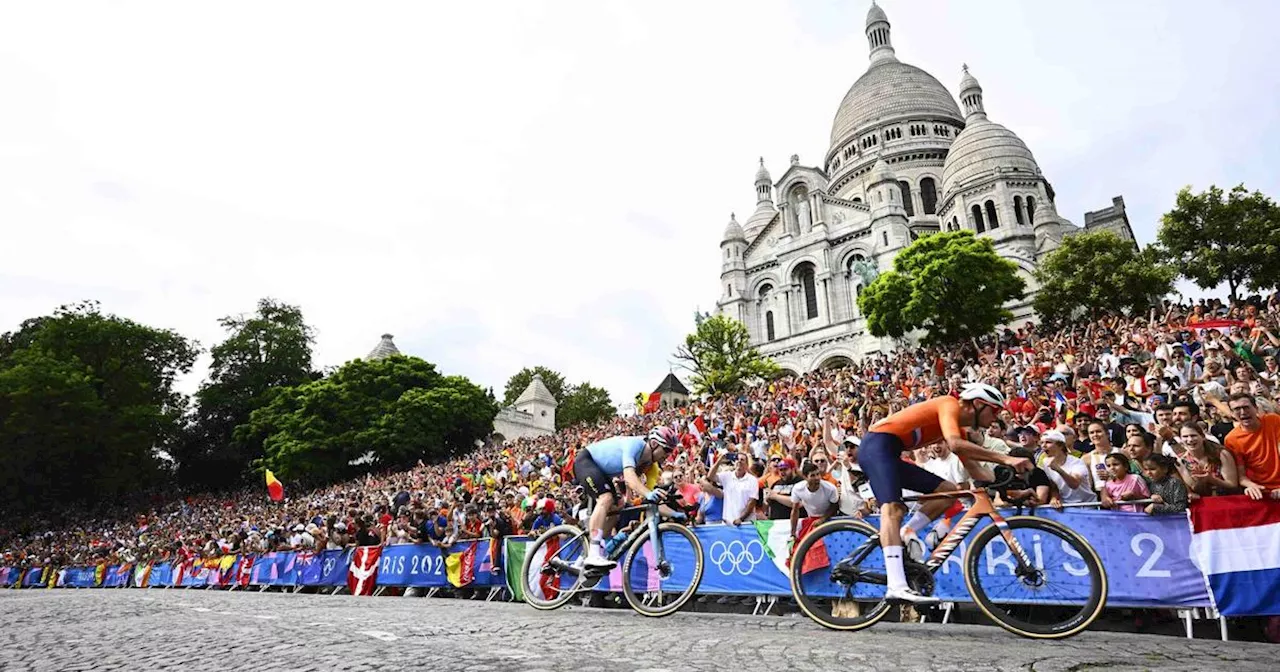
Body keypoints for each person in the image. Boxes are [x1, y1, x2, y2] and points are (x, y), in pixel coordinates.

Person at [849, 383, 1031, 604]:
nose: (995, 418)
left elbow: (977, 472)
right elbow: (955, 445)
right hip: (876, 445)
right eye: (993, 411)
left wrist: (1009, 481)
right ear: (978, 405)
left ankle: (907, 530)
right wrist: (1006, 458)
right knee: (893, 509)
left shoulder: (961, 430)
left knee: (948, 492)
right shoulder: (949, 404)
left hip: (890, 451)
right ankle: (895, 587)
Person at [571, 426, 676, 570]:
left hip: (602, 473)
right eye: (667, 450)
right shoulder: (635, 445)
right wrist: (648, 493)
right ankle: (593, 554)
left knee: (618, 508)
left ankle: (584, 557)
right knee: (606, 498)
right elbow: (629, 478)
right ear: (654, 443)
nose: (668, 455)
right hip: (586, 461)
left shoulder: (651, 466)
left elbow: (650, 496)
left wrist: (674, 513)